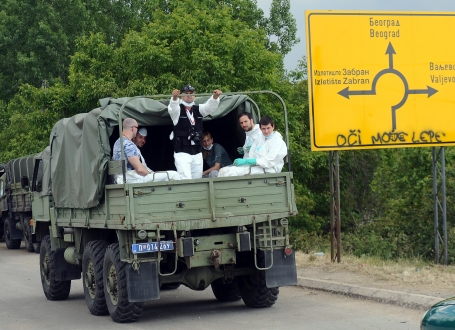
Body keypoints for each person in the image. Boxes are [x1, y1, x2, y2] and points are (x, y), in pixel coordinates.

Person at [168, 85, 222, 179]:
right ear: (182, 96)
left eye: (191, 93)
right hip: (182, 153)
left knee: (198, 180)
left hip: (197, 153)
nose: (189, 95)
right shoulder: (177, 111)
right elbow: (172, 108)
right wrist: (174, 98)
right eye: (186, 93)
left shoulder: (199, 109)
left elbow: (209, 107)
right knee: (185, 180)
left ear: (194, 95)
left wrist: (215, 97)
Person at [112, 119, 180, 183]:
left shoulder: (118, 142)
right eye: (137, 128)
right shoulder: (128, 145)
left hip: (125, 179)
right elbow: (140, 169)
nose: (137, 130)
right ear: (133, 128)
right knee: (173, 175)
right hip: (132, 180)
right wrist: (152, 176)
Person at [218, 116, 287, 177]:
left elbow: (269, 162)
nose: (266, 131)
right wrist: (246, 159)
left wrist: (247, 162)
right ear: (260, 128)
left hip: (269, 170)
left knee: (229, 173)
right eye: (263, 129)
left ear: (273, 126)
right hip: (257, 167)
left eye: (268, 128)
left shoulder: (277, 141)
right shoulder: (260, 138)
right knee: (223, 171)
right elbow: (252, 153)